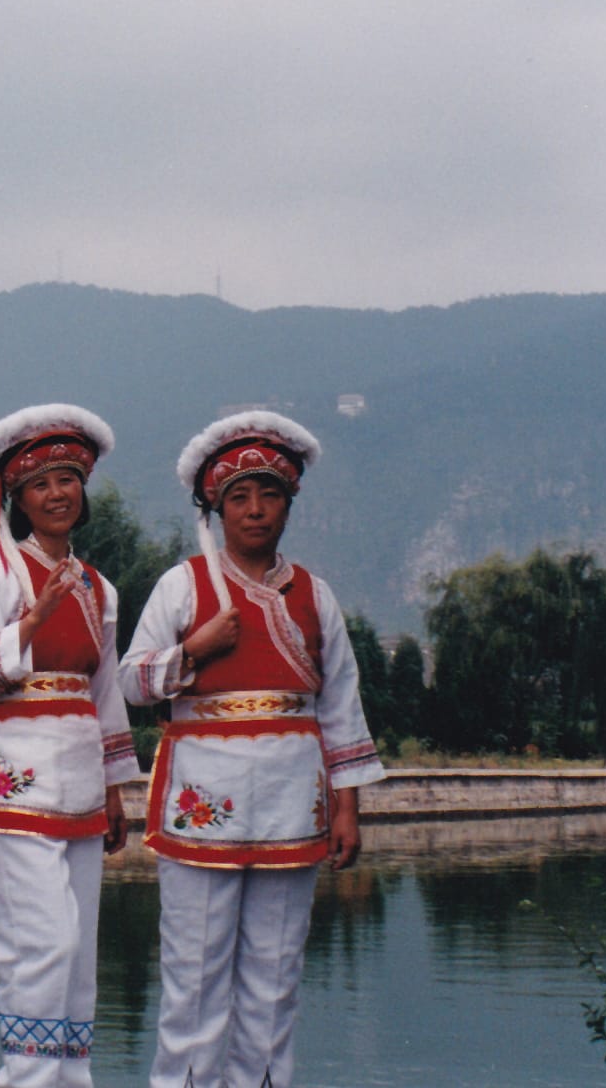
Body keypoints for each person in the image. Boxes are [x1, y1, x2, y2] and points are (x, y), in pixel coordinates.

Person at [119, 410, 385, 1088]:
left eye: (270, 494)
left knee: (275, 974)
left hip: (294, 804)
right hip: (202, 800)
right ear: (215, 508)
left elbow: (340, 704)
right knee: (195, 972)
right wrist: (195, 650)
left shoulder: (314, 596)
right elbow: (132, 679)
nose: (256, 510)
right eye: (239, 496)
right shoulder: (182, 586)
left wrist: (346, 809)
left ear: (289, 502)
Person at [0, 404, 139, 1088]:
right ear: (16, 500)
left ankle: (70, 1079)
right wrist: (30, 622)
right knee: (42, 946)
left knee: (79, 954)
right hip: (14, 779)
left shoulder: (98, 586)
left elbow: (106, 689)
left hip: (83, 783)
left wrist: (117, 786)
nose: (58, 494)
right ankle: (25, 1078)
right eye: (41, 484)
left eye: (68, 479)